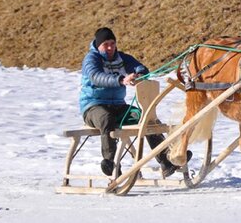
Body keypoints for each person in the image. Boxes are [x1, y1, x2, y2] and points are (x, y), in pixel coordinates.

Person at [79, 27, 191, 177]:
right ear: (98, 45)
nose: (110, 47)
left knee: (146, 117)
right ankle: (110, 163)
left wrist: (139, 74)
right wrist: (121, 80)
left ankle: (166, 160)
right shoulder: (91, 59)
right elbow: (96, 77)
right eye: (106, 44)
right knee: (106, 118)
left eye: (112, 43)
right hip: (93, 106)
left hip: (118, 106)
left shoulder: (121, 57)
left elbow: (141, 68)